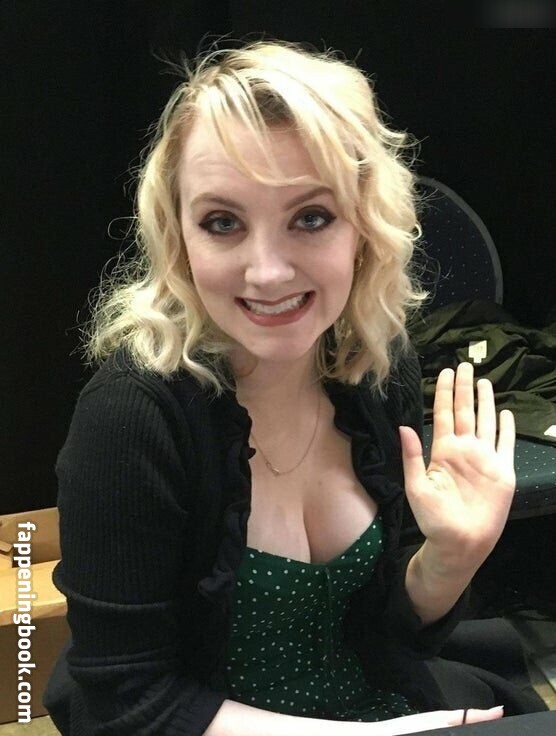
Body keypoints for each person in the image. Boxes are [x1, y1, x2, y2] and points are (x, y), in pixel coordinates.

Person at [43, 38, 541, 735]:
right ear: (178, 238)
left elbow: (387, 631)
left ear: (364, 226)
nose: (268, 271)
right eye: (223, 223)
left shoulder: (375, 364)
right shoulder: (132, 417)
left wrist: (450, 559)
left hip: (378, 704)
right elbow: (128, 703)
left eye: (311, 217)